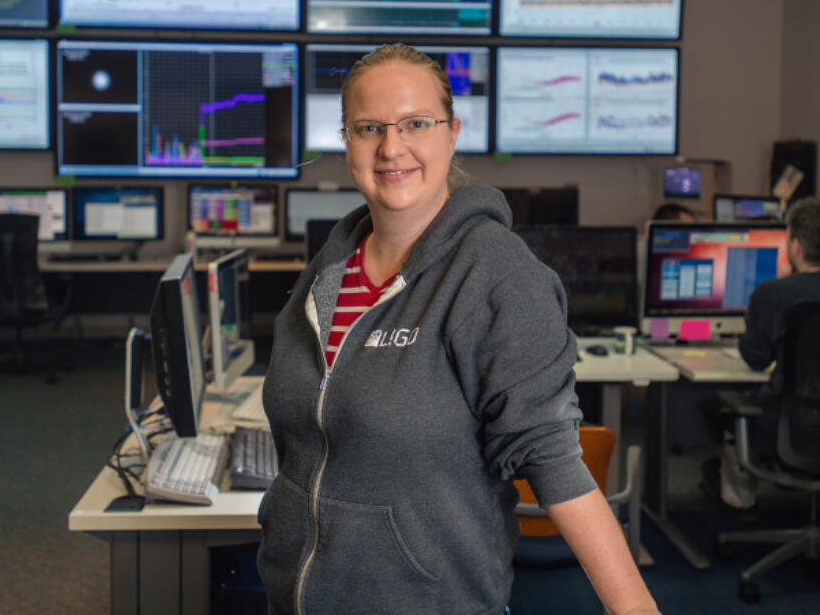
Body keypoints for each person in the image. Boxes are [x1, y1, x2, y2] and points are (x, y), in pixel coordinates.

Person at [259, 44, 659, 615]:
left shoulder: (497, 274)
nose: (391, 147)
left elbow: (550, 455)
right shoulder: (329, 267)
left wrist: (635, 608)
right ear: (346, 140)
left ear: (452, 133)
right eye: (369, 127)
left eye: (416, 124)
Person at [708, 197, 820, 508]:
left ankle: (740, 504)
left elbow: (756, 359)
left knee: (731, 409)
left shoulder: (775, 292)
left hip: (789, 430)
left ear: (795, 245)